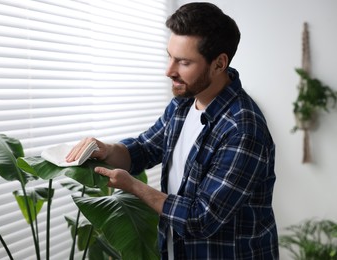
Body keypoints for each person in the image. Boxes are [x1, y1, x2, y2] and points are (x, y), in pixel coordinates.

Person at [66, 2, 279, 259]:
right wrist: (107, 149)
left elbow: (201, 219)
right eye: (170, 56)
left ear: (219, 63)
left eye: (184, 62)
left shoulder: (243, 129)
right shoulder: (184, 101)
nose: (169, 71)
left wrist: (135, 187)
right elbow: (145, 149)